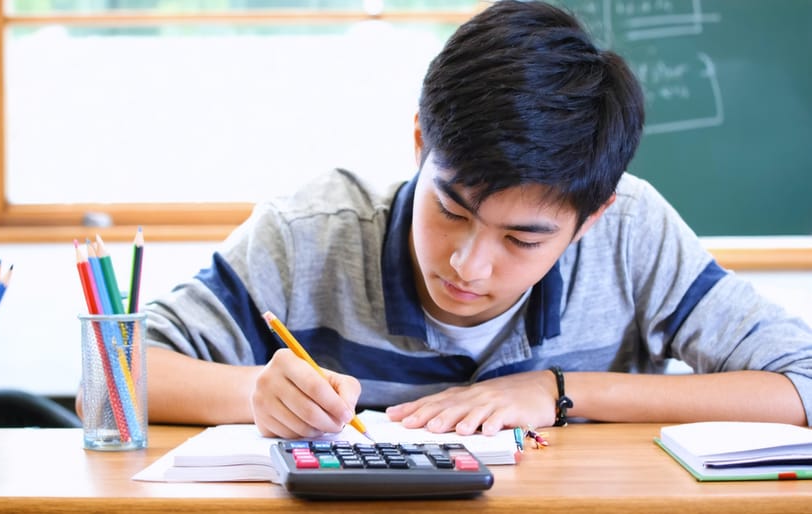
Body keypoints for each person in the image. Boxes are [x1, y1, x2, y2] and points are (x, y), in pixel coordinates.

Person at [142, 0, 812, 438]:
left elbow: (802, 382)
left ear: (592, 218)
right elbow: (111, 377)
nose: (468, 264)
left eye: (522, 238)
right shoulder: (312, 233)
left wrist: (557, 391)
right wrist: (256, 391)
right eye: (450, 208)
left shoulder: (635, 232)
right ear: (418, 145)